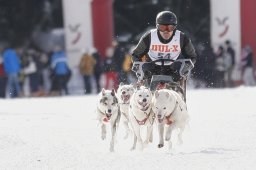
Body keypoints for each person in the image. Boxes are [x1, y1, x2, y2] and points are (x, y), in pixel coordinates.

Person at [131, 11, 197, 90]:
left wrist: (186, 66)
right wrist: (138, 66)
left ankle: (176, 94)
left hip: (173, 67)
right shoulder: (149, 36)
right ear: (157, 26)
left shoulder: (182, 38)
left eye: (170, 28)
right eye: (162, 28)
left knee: (179, 69)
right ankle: (147, 94)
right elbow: (136, 54)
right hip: (152, 66)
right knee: (145, 71)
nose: (166, 31)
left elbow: (192, 56)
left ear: (175, 27)